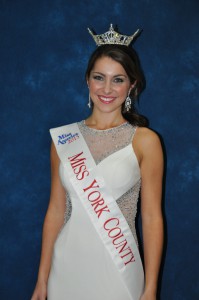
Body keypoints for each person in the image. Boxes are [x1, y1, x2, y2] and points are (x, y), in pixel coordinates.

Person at [31, 24, 164, 300]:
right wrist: (41, 281)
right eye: (99, 77)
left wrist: (150, 288)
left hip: (119, 269)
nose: (107, 88)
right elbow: (56, 211)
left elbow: (151, 218)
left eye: (118, 79)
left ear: (132, 85)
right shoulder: (64, 140)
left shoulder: (145, 141)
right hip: (65, 269)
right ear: (87, 81)